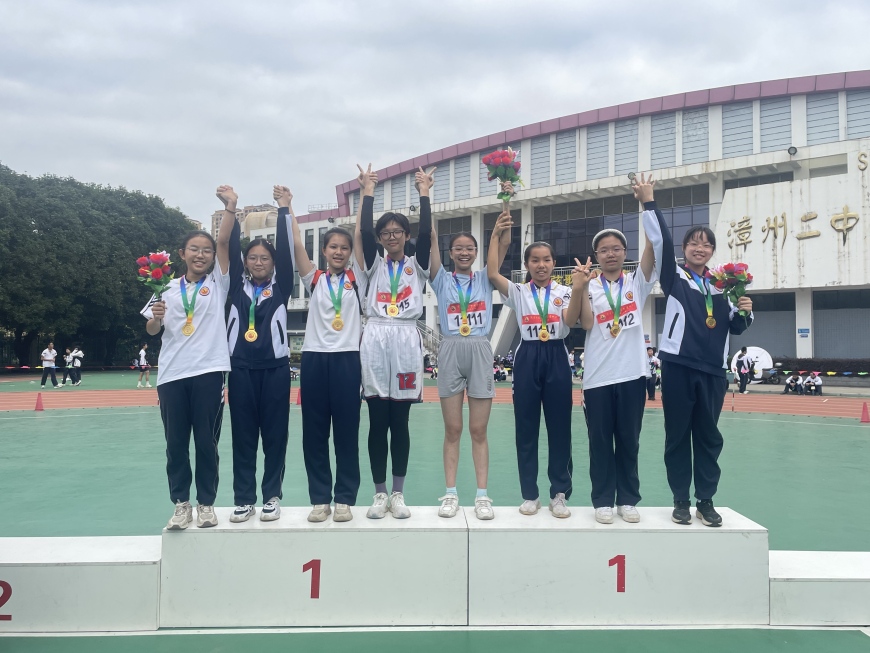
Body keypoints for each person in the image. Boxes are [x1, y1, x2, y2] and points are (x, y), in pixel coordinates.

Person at [641, 175, 753, 527]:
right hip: (678, 366)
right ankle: (680, 500)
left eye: (706, 244)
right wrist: (649, 203)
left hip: (713, 373)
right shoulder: (674, 277)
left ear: (712, 251)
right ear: (685, 248)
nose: (699, 248)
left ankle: (705, 500)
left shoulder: (723, 288)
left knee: (708, 438)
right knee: (677, 436)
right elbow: (660, 241)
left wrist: (745, 310)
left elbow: (736, 327)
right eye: (693, 242)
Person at [487, 232, 591, 518]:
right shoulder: (519, 292)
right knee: (526, 429)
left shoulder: (566, 291)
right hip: (528, 356)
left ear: (554, 263)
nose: (541, 265)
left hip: (557, 354)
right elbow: (493, 273)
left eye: (546, 259)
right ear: (527, 264)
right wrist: (496, 237)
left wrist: (579, 288)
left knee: (560, 429)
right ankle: (530, 494)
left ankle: (559, 494)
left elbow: (571, 320)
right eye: (535, 260)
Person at [355, 163, 433, 519]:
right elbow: (363, 233)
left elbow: (427, 234)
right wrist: (367, 191)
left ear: (406, 235)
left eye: (397, 231)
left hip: (404, 337)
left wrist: (424, 194)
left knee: (399, 421)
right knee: (377, 420)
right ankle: (379, 493)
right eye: (385, 233)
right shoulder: (373, 264)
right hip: (375, 336)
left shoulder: (417, 265)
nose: (391, 237)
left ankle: (398, 493)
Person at [429, 194, 512, 521]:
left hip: (479, 349)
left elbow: (504, 242)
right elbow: (429, 240)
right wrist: (426, 196)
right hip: (450, 349)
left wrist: (505, 204)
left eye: (470, 249)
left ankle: (482, 496)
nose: (464, 252)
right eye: (458, 249)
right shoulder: (440, 279)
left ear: (477, 253)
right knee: (453, 429)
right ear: (450, 254)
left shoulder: (486, 277)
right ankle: (450, 493)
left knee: (479, 430)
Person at [142, 226, 231, 530]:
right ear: (182, 254)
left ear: (213, 256)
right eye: (194, 249)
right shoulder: (164, 287)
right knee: (176, 443)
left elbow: (224, 241)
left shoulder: (219, 283)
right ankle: (181, 503)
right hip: (172, 374)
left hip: (209, 371)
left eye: (206, 250)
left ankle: (206, 503)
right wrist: (156, 317)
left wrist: (230, 208)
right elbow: (152, 330)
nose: (200, 255)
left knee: (207, 442)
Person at [578, 189, 657, 525]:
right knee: (599, 443)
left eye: (616, 248)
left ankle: (627, 499)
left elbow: (654, 245)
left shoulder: (637, 283)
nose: (610, 254)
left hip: (632, 375)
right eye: (604, 250)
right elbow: (585, 323)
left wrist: (647, 204)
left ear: (625, 252)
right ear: (596, 255)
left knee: (629, 441)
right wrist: (581, 287)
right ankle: (602, 500)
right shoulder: (589, 287)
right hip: (597, 378)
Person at [288, 185, 365, 524]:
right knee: (314, 434)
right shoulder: (314, 279)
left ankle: (345, 498)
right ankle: (320, 499)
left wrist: (367, 192)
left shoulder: (358, 279)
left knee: (346, 433)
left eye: (344, 248)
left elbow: (362, 235)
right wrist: (288, 207)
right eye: (333, 246)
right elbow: (296, 245)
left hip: (348, 360)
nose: (339, 251)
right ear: (323, 250)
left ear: (350, 253)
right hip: (315, 361)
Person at [217, 185, 294, 524]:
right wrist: (232, 208)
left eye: (265, 258)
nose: (258, 262)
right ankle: (244, 499)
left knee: (275, 437)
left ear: (273, 263)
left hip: (275, 371)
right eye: (253, 257)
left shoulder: (281, 286)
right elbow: (228, 247)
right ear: (246, 262)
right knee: (243, 437)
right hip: (240, 370)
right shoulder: (235, 285)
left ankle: (272, 496)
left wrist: (284, 208)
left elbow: (288, 251)